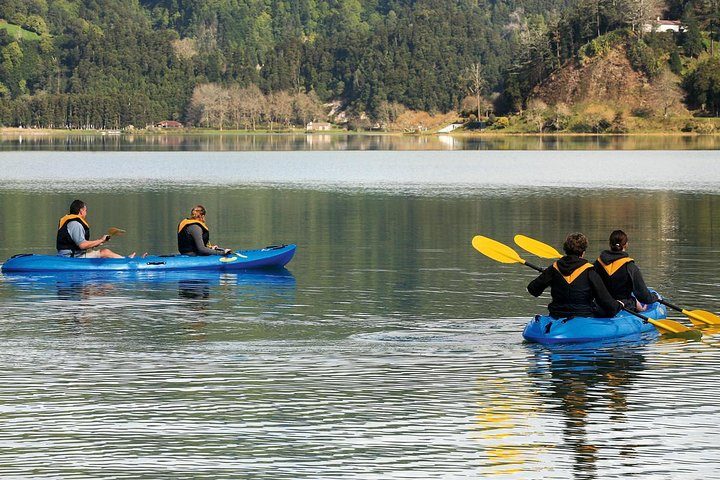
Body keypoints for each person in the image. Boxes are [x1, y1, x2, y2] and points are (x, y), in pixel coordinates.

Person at [527, 232, 623, 319]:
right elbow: (605, 300)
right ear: (583, 252)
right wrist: (618, 305)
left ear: (566, 250)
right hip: (583, 316)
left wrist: (550, 277)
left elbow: (533, 289)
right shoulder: (590, 271)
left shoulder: (554, 268)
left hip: (557, 315)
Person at [594, 230, 659, 312]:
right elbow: (643, 296)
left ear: (610, 244)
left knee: (633, 300)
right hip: (624, 305)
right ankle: (642, 309)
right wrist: (655, 297)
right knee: (634, 301)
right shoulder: (630, 267)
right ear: (626, 245)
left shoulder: (597, 264)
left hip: (601, 305)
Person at [57, 199, 133, 258]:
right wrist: (101, 240)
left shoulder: (72, 222)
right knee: (105, 252)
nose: (86, 213)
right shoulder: (75, 224)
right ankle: (126, 261)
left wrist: (100, 241)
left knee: (102, 255)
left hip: (72, 254)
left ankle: (122, 258)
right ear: (81, 211)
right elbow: (82, 245)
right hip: (71, 257)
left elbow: (81, 245)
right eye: (85, 210)